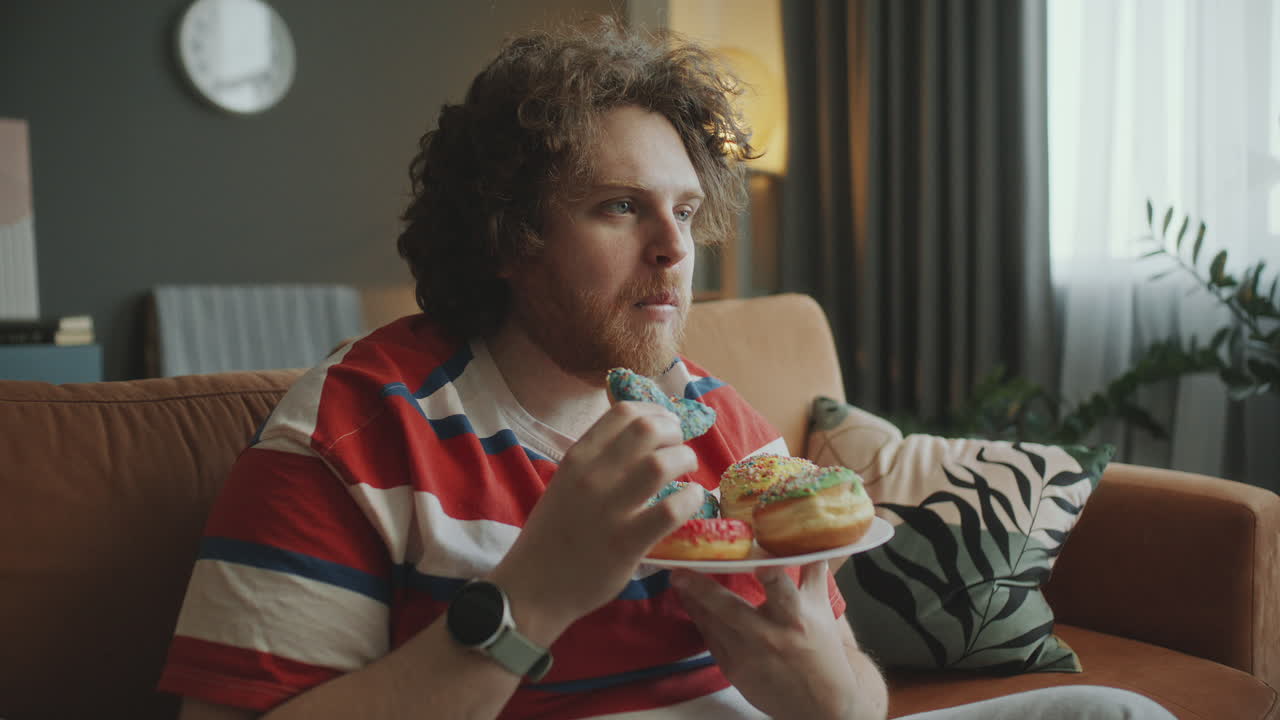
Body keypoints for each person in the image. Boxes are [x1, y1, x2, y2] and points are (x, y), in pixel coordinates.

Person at [160, 17, 1175, 720]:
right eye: (618, 207)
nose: (673, 249)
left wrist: (819, 684)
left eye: (684, 212)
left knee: (1112, 709)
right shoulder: (353, 430)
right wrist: (534, 598)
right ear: (508, 236)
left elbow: (857, 701)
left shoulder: (719, 420)